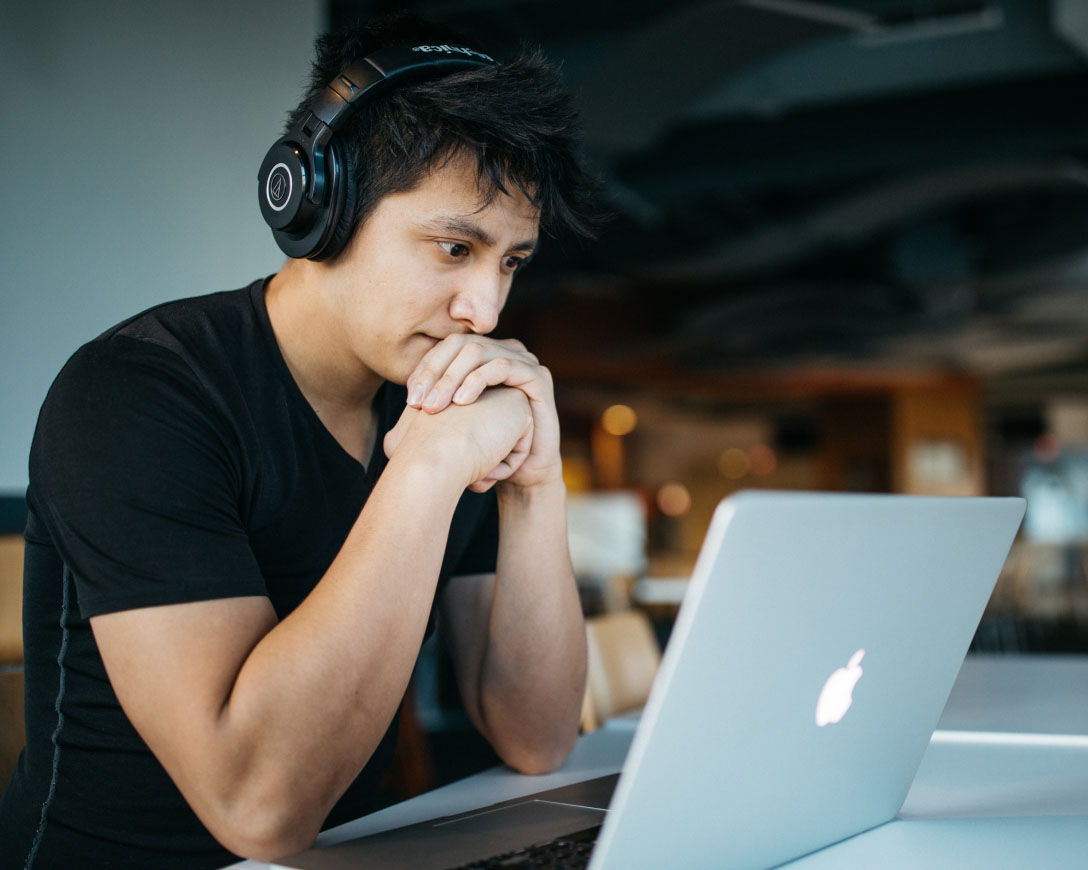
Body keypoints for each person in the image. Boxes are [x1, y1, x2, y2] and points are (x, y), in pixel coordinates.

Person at [0, 12, 601, 868]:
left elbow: (536, 737)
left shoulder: (430, 396)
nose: (487, 311)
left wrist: (536, 484)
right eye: (454, 246)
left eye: (510, 262)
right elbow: (257, 809)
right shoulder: (136, 396)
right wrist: (426, 470)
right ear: (322, 208)